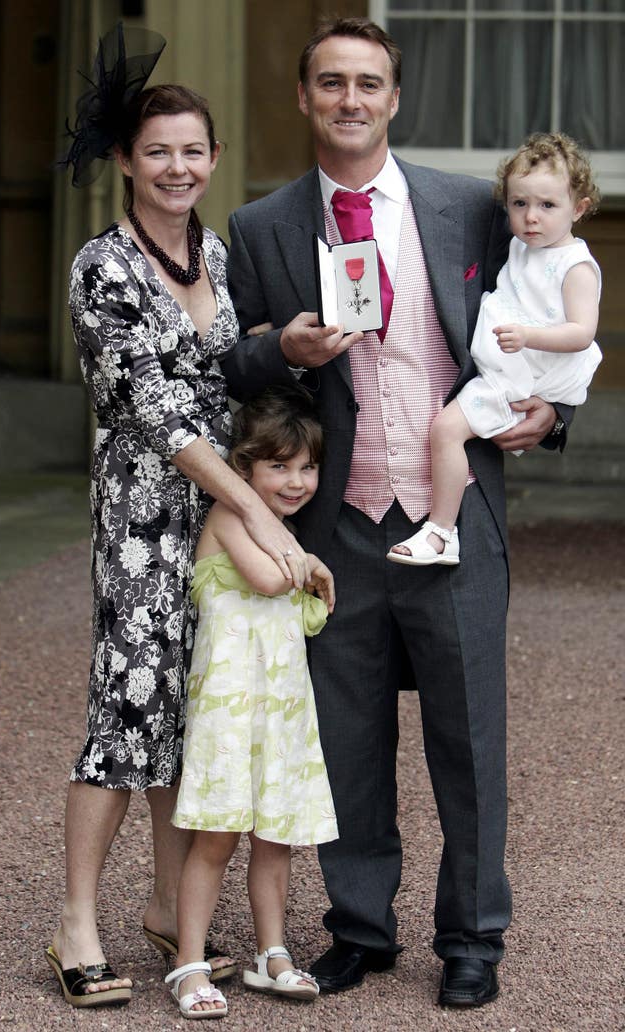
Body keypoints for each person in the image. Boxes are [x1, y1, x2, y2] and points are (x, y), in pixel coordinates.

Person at [221, 16, 572, 1008]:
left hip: (453, 516)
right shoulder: (262, 227)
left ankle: (471, 936)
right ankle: (361, 927)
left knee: (467, 739)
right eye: (329, 82)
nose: (349, 100)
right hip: (336, 524)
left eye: (367, 83)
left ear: (393, 97)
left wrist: (552, 409)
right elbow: (235, 368)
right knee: (346, 736)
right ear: (304, 97)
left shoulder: (468, 209)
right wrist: (279, 350)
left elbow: (542, 311)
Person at [46, 25, 308, 1010]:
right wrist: (253, 504)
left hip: (220, 519)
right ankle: (75, 922)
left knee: (195, 715)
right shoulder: (102, 268)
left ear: (213, 158)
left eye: (192, 150)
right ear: (124, 159)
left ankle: (167, 910)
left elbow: (239, 378)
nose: (176, 166)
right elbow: (155, 411)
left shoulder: (223, 255)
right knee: (127, 712)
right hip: (145, 517)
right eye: (157, 150)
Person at [163, 385, 337, 1019]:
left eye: (307, 467)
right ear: (243, 470)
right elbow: (271, 581)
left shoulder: (281, 534)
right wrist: (310, 561)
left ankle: (274, 953)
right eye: (279, 466)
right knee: (218, 836)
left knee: (277, 837)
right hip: (231, 712)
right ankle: (189, 962)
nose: (296, 482)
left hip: (282, 712)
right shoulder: (230, 517)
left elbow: (309, 614)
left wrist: (305, 565)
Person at [388, 132, 601, 566]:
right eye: (519, 204)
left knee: (447, 430)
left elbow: (582, 332)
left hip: (523, 371)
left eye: (547, 205)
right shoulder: (521, 246)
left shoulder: (575, 266)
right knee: (448, 431)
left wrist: (527, 336)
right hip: (507, 361)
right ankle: (441, 531)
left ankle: (441, 533)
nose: (531, 217)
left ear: (578, 209)